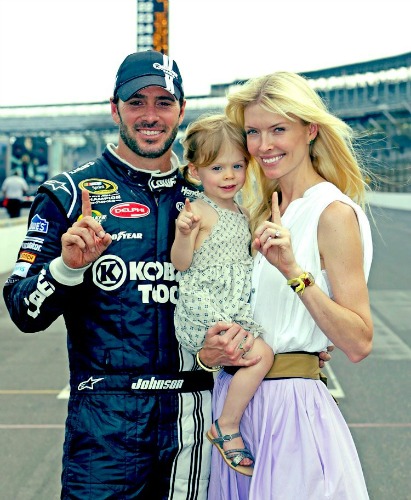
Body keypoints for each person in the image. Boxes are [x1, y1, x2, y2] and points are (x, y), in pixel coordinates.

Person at [3, 50, 265, 500]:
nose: (150, 114)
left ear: (181, 111)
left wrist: (304, 346)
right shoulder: (68, 195)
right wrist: (67, 268)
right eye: (136, 101)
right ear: (114, 108)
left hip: (194, 419)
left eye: (164, 102)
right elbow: (23, 310)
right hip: (105, 427)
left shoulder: (214, 198)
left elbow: (254, 287)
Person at [207, 71, 374, 499]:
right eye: (254, 132)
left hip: (290, 411)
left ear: (310, 129)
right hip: (236, 408)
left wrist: (294, 273)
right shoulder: (264, 207)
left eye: (278, 129)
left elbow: (357, 341)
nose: (265, 145)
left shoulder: (332, 212)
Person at [171, 114, 274, 476]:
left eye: (237, 165)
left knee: (259, 352)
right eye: (217, 167)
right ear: (195, 173)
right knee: (261, 355)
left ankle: (231, 421)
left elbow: (244, 262)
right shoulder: (198, 211)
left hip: (232, 303)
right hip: (205, 306)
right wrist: (184, 234)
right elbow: (181, 265)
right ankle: (226, 425)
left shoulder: (243, 212)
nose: (229, 176)